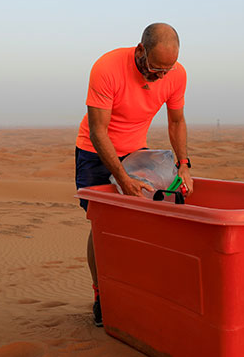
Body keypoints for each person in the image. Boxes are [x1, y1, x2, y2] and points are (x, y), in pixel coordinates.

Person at [74, 23, 193, 327]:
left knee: (143, 223)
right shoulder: (107, 67)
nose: (160, 77)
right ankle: (101, 295)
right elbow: (99, 130)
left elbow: (176, 122)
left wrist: (184, 165)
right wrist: (122, 179)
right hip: (95, 151)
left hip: (136, 153)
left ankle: (136, 292)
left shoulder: (175, 74)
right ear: (140, 50)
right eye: (154, 69)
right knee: (102, 225)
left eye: (166, 71)